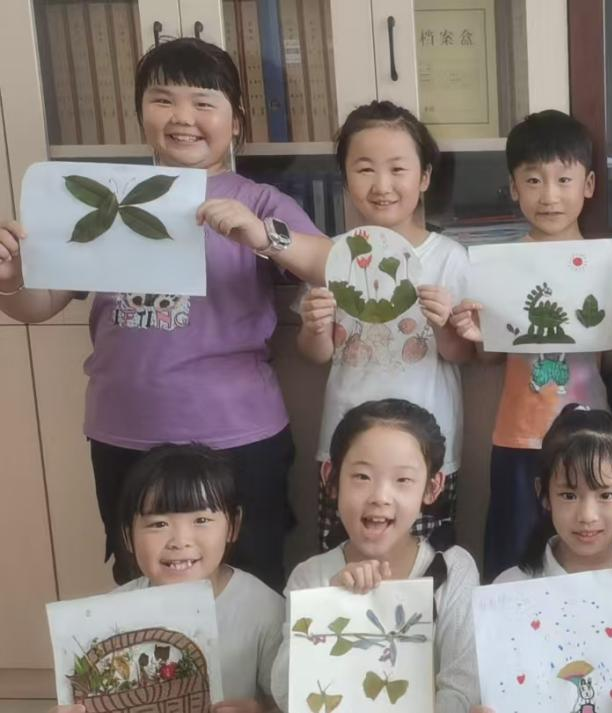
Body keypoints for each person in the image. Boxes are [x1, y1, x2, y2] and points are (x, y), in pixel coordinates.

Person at [0, 37, 330, 590]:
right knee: (144, 591)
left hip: (236, 436)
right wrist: (10, 280)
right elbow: (38, 304)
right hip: (126, 434)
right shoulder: (100, 198)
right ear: (141, 113)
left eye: (203, 102)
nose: (182, 117)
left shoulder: (259, 200)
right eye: (163, 100)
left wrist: (263, 236)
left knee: (249, 585)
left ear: (235, 121)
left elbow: (335, 265)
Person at [298, 100, 472, 551]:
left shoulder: (449, 257)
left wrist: (443, 326)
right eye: (364, 169)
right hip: (346, 445)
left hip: (426, 448)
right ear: (345, 178)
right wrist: (314, 327)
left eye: (398, 169)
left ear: (424, 177)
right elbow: (316, 354)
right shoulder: (332, 254)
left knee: (427, 567)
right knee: (345, 564)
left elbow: (462, 353)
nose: (382, 186)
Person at [449, 110, 612, 578]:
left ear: (588, 185)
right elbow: (487, 356)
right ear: (514, 187)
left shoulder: (606, 265)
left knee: (587, 556)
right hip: (519, 434)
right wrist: (476, 331)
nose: (549, 196)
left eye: (564, 179)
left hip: (588, 434)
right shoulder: (503, 264)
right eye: (534, 180)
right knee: (516, 561)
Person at [270, 399, 480, 712]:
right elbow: (287, 695)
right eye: (362, 477)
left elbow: (462, 689)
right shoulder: (311, 577)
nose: (380, 497)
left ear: (432, 487)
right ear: (331, 478)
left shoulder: (454, 570)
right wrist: (330, 605)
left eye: (403, 480)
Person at [50, 444, 284, 713]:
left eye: (201, 520)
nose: (180, 541)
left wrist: (260, 710)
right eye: (158, 524)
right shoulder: (106, 620)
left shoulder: (265, 610)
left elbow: (290, 700)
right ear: (127, 535)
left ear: (233, 525)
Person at [483, 404, 612, 713]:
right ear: (543, 493)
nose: (587, 515)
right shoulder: (509, 590)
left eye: (605, 495)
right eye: (569, 495)